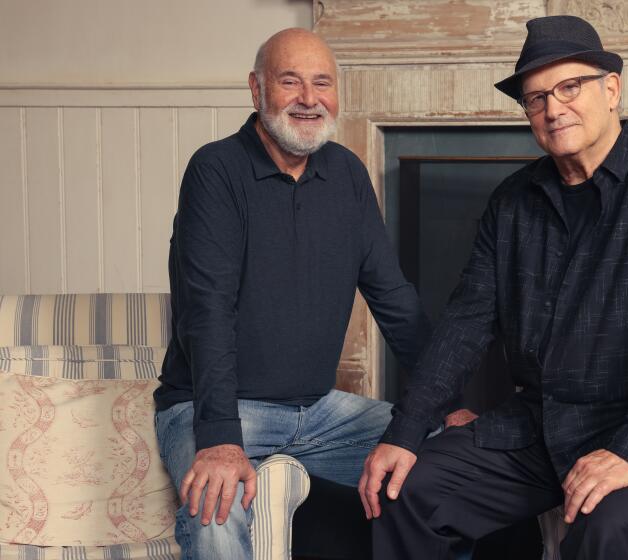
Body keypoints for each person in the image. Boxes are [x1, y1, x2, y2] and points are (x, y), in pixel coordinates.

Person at [360, 15, 628, 560]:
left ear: (612, 89)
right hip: (540, 422)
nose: (553, 108)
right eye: (535, 99)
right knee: (406, 492)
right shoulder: (512, 202)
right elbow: (465, 325)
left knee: (606, 529)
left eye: (569, 87)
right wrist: (405, 430)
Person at [153, 28, 430, 559]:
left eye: (322, 83)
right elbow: (206, 310)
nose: (309, 98)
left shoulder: (346, 172)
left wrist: (447, 402)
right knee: (214, 507)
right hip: (219, 408)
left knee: (445, 458)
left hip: (321, 413)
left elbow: (393, 296)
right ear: (256, 91)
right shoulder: (216, 170)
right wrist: (219, 438)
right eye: (291, 82)